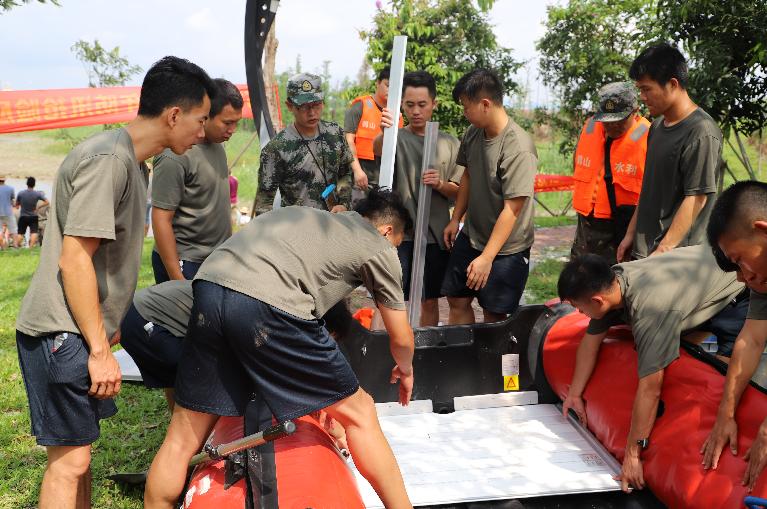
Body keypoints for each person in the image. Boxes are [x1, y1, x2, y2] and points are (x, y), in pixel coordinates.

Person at [14, 56, 216, 509]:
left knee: (78, 459)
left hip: (80, 331)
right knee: (68, 465)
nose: (202, 133)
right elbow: (74, 260)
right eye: (200, 121)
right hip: (61, 332)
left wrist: (109, 324)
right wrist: (100, 350)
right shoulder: (109, 159)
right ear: (174, 115)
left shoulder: (130, 162)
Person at [145, 189, 415, 509]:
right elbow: (401, 337)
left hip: (208, 287)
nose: (393, 251)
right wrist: (406, 369)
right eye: (396, 243)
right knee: (361, 413)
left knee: (182, 438)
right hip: (267, 303)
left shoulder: (308, 218)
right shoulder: (377, 245)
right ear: (387, 231)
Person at [558, 245, 748, 493]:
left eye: (579, 307)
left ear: (597, 300)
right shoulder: (612, 282)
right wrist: (574, 394)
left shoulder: (650, 310)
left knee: (723, 374)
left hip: (736, 289)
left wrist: (633, 455)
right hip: (696, 275)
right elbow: (590, 342)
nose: (578, 313)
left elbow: (651, 388)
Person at [441, 68, 537, 324]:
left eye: (465, 107)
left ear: (485, 104)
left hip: (507, 248)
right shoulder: (473, 133)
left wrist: (486, 258)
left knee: (495, 314)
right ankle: (465, 358)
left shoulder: (518, 147)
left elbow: (512, 210)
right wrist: (456, 219)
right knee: (456, 298)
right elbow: (468, 176)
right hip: (472, 235)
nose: (464, 113)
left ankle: (494, 363)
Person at [618, 43, 723, 262]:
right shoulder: (656, 127)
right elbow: (649, 189)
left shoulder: (701, 131)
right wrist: (630, 234)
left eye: (646, 89)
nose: (642, 97)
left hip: (673, 259)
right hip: (646, 253)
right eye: (640, 90)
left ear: (672, 84)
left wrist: (663, 251)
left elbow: (697, 198)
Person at [374, 70, 463, 326]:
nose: (416, 111)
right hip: (400, 236)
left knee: (430, 299)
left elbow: (460, 192)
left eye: (422, 105)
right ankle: (388, 347)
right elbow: (378, 149)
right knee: (391, 297)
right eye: (409, 105)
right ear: (401, 104)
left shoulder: (449, 143)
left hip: (435, 236)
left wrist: (441, 184)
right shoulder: (397, 138)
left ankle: (425, 347)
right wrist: (385, 130)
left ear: (434, 104)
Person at [700, 181, 767, 491]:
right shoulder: (761, 274)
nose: (742, 276)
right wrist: (725, 414)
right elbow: (751, 339)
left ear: (763, 230)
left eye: (740, 259)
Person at [151, 78, 243, 283]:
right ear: (206, 115)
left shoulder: (218, 145)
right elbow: (160, 218)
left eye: (236, 122)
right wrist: (177, 278)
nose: (233, 129)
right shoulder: (174, 155)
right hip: (186, 262)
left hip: (216, 259)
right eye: (227, 122)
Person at [571, 82, 649, 265]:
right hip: (585, 227)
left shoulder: (648, 138)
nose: (612, 126)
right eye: (607, 120)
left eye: (619, 121)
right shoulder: (589, 128)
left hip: (622, 231)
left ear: (635, 111)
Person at [254, 73, 353, 216]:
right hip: (298, 229)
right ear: (289, 106)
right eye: (304, 107)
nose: (312, 113)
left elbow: (345, 173)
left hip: (334, 223)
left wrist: (343, 204)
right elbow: (264, 204)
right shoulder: (277, 148)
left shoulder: (335, 134)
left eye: (316, 105)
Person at [119, 280, 193, 410]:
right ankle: (186, 426)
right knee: (191, 374)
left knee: (173, 376)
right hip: (143, 318)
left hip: (133, 312)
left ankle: (178, 423)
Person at [345, 67, 401, 198]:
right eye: (387, 85)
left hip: (386, 182)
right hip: (361, 179)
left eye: (395, 87)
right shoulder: (360, 106)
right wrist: (357, 171)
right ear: (378, 83)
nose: (390, 90)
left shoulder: (398, 115)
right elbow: (348, 141)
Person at [16, 176, 48, 248]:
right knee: (34, 232)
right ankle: (30, 248)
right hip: (33, 216)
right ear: (34, 184)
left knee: (20, 233)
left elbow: (17, 205)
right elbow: (47, 202)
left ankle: (17, 246)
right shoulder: (37, 194)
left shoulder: (21, 193)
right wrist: (38, 207)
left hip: (23, 216)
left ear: (27, 184)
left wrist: (21, 205)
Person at [0, 175, 17, 249]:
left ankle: (2, 247)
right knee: (13, 229)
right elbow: (13, 201)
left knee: (0, 231)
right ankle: (15, 246)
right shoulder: (10, 188)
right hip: (8, 212)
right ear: (4, 180)